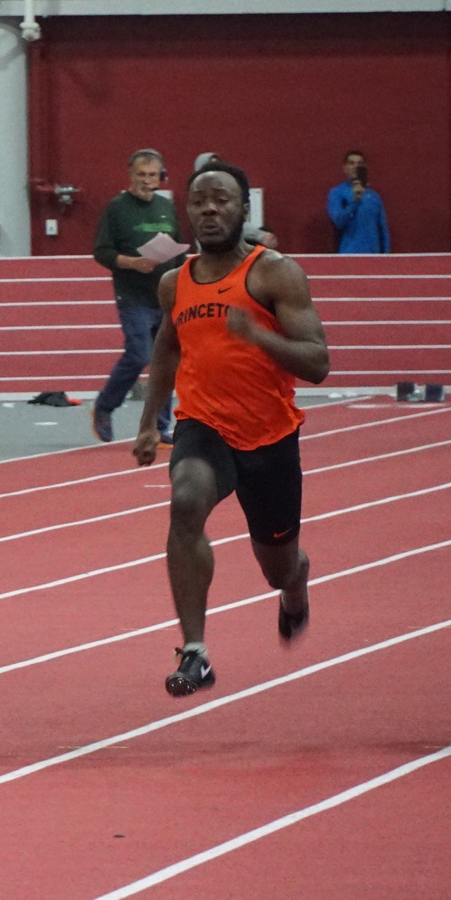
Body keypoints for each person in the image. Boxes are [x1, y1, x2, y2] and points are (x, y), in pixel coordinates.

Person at [132, 160, 329, 698]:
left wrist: (259, 338)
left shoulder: (275, 273)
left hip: (270, 437)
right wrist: (150, 422)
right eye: (199, 202)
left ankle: (295, 588)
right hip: (203, 425)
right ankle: (194, 651)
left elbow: (317, 362)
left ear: (244, 208)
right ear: (187, 212)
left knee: (278, 567)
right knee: (186, 499)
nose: (210, 210)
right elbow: (167, 348)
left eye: (222, 200)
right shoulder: (175, 282)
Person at [90, 149, 183, 444]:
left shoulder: (166, 207)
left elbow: (178, 244)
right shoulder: (117, 209)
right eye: (141, 175)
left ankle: (160, 424)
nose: (146, 180)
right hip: (133, 295)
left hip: (166, 295)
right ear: (131, 175)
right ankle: (105, 407)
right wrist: (133, 262)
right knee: (139, 354)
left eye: (152, 175)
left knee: (166, 360)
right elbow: (102, 252)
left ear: (161, 176)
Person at [327, 149, 389, 254]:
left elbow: (383, 230)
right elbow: (338, 222)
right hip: (348, 254)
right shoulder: (337, 193)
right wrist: (354, 202)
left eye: (359, 164)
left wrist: (386, 256)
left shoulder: (374, 197)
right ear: (345, 168)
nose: (355, 167)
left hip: (374, 256)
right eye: (351, 163)